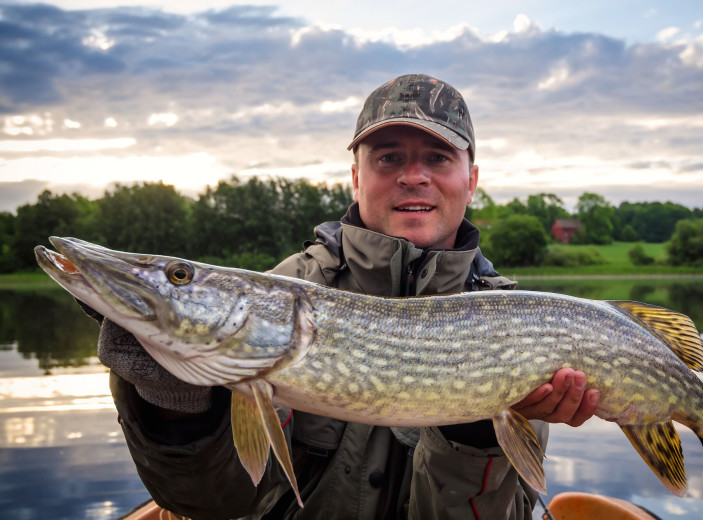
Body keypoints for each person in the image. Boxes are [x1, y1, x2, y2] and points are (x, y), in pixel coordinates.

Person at [94, 73, 599, 520]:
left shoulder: (517, 322)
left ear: (471, 182)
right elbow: (218, 506)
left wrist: (479, 434)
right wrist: (176, 408)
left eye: (438, 157)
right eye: (389, 158)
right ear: (357, 178)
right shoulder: (286, 293)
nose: (412, 175)